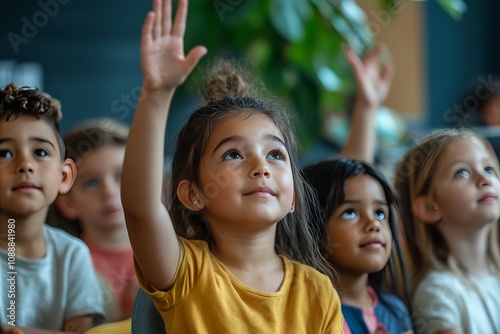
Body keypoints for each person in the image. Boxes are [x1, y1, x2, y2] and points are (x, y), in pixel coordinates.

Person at [120, 0, 343, 332]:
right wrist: (157, 93)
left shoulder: (318, 291)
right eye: (233, 155)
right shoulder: (185, 272)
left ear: (293, 196)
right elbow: (141, 208)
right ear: (193, 194)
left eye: (276, 155)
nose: (260, 166)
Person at [0, 83, 104, 332]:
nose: (25, 165)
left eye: (40, 152)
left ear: (65, 176)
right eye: (4, 154)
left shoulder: (72, 255)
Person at [394, 127, 500, 334]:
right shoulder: (437, 292)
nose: (484, 178)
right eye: (462, 172)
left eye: (488, 168)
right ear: (429, 207)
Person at [302, 158, 413, 334]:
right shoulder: (309, 317)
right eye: (350, 213)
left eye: (379, 213)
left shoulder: (396, 310)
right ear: (311, 228)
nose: (374, 223)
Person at [51, 119, 138, 322]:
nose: (109, 192)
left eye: (120, 176)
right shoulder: (65, 265)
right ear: (67, 203)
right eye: (91, 182)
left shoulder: (173, 251)